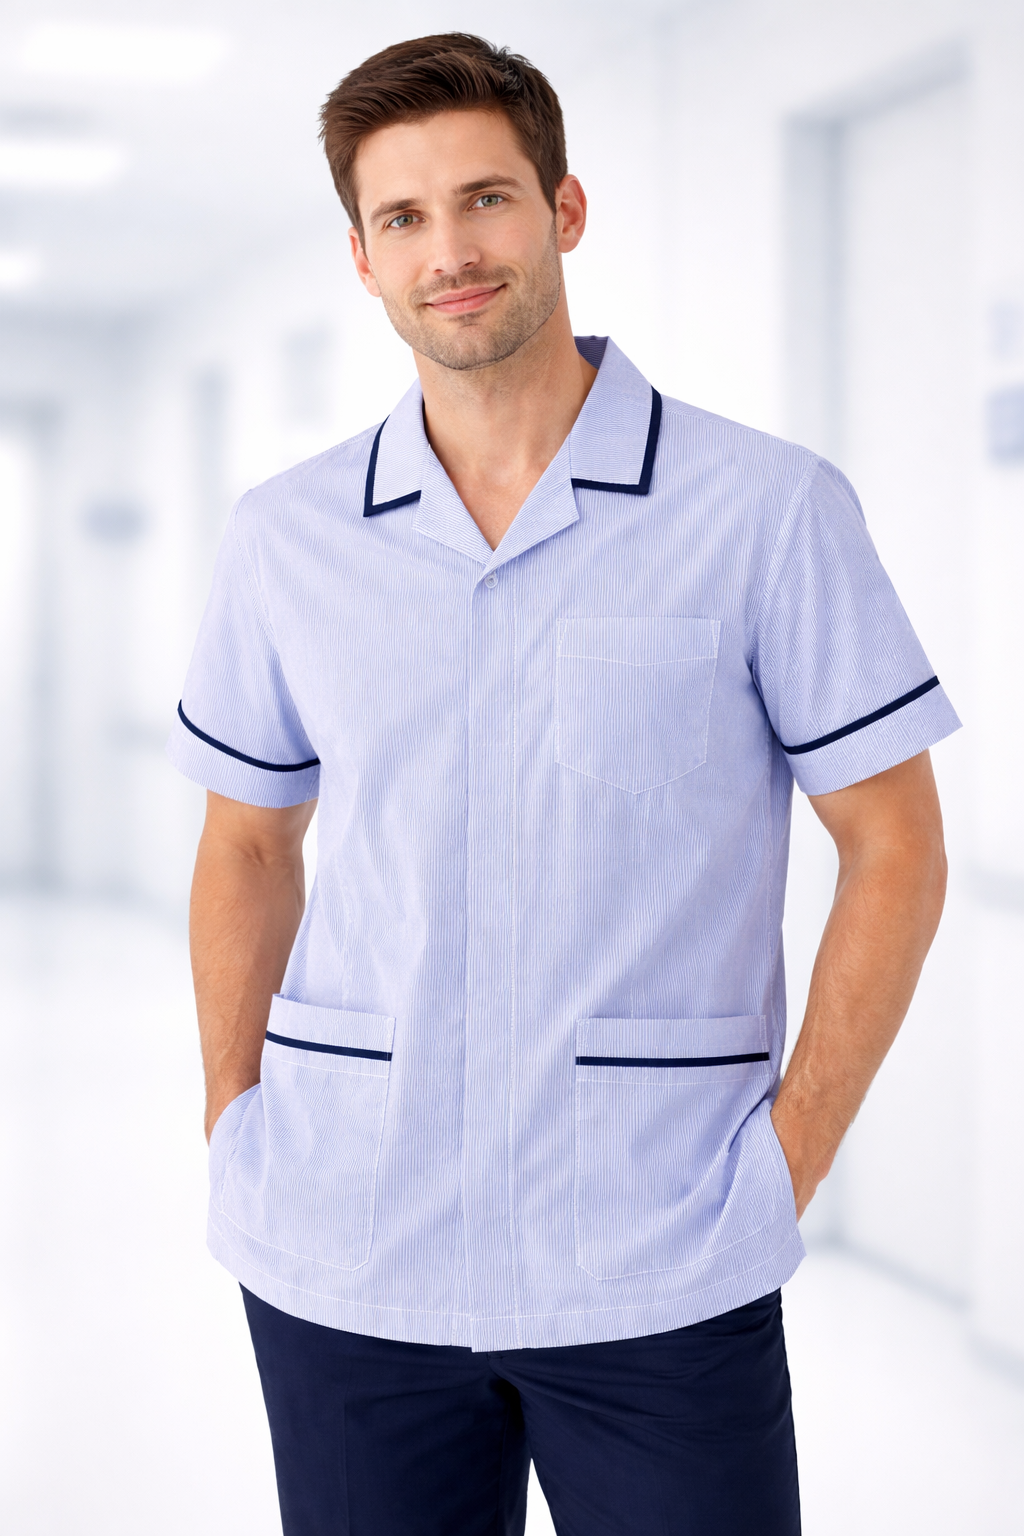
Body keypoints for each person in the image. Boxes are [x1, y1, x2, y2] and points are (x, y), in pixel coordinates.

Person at [168, 32, 959, 1536]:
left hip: (659, 1252)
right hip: (345, 1247)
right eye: (403, 219)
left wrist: (785, 1167)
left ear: (565, 210)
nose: (450, 252)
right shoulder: (288, 537)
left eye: (486, 200)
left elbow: (894, 845)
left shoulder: (765, 513)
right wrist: (236, 1123)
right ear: (361, 257)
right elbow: (250, 844)